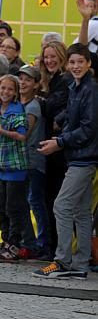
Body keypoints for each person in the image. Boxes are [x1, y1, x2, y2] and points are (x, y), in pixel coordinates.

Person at [33, 44, 98, 279]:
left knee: (61, 206)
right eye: (72, 62)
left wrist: (59, 142)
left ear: (89, 63)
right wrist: (60, 120)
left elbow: (89, 128)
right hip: (79, 156)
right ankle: (80, 264)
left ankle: (62, 261)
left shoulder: (91, 89)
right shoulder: (76, 86)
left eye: (80, 62)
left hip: (84, 157)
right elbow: (74, 115)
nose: (76, 66)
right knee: (81, 212)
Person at [0, 75, 37, 262]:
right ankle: (5, 242)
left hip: (16, 167)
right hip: (3, 167)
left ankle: (14, 246)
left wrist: (0, 131)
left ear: (15, 92)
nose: (5, 92)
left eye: (9, 89)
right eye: (2, 88)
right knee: (1, 207)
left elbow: (22, 136)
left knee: (13, 208)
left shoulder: (17, 111)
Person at [38, 40, 72, 258]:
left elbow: (57, 108)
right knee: (48, 198)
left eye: (53, 56)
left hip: (60, 149)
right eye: (46, 57)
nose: (49, 60)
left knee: (56, 200)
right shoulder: (52, 81)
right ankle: (51, 247)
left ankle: (57, 250)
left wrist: (38, 100)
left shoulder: (65, 80)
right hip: (52, 147)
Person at [17, 65, 50, 259]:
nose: (23, 82)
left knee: (35, 202)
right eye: (21, 78)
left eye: (28, 79)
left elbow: (24, 134)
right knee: (24, 203)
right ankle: (29, 242)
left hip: (33, 161)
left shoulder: (33, 107)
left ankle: (43, 244)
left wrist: (0, 128)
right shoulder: (20, 103)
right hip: (22, 161)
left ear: (36, 84)